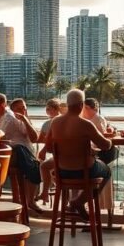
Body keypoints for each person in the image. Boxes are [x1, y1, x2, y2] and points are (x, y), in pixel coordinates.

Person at [44, 89, 113, 218]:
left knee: (94, 167)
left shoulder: (55, 122)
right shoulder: (86, 124)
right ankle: (79, 201)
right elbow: (105, 145)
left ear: (68, 104)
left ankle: (75, 203)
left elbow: (48, 148)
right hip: (84, 172)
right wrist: (110, 139)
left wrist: (67, 151)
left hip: (62, 172)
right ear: (81, 105)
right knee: (107, 172)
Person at [0, 94, 41, 212]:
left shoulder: (11, 118)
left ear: (3, 104)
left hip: (20, 155)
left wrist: (24, 119)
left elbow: (34, 138)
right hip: (11, 156)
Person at [37, 99, 63, 204]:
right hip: (62, 156)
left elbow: (40, 139)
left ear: (56, 109)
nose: (47, 111)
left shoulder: (49, 123)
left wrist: (44, 148)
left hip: (58, 157)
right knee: (46, 164)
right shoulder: (64, 121)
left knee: (43, 165)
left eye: (49, 109)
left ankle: (45, 192)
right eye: (46, 109)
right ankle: (48, 192)